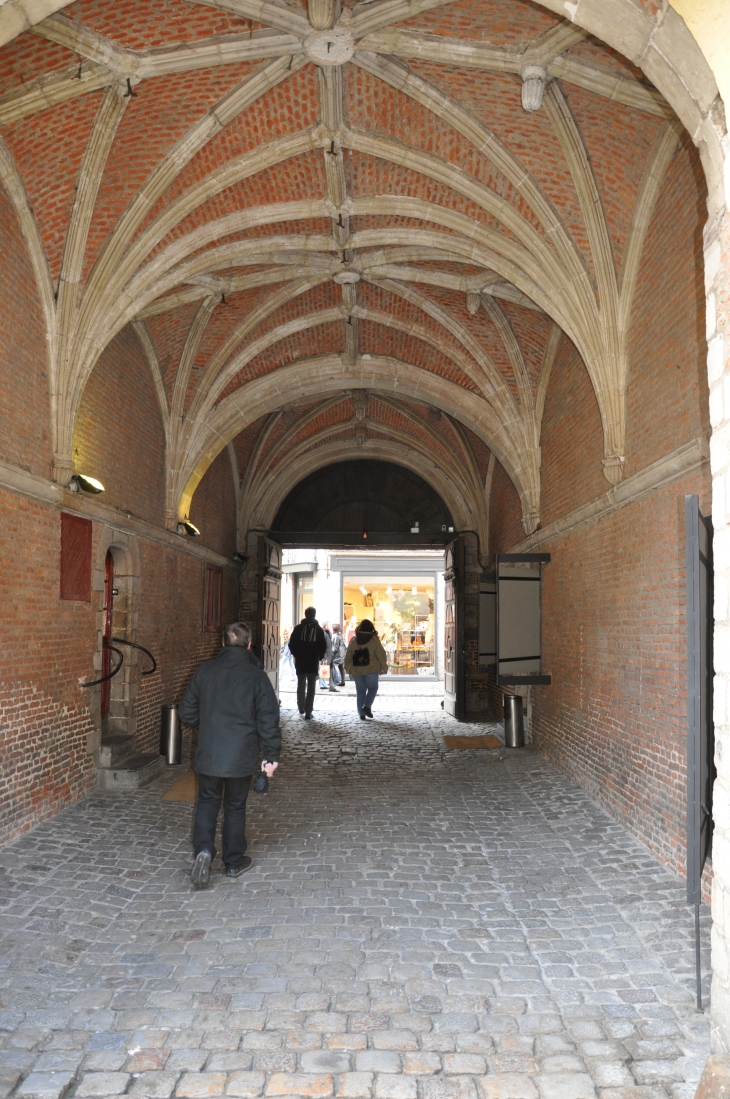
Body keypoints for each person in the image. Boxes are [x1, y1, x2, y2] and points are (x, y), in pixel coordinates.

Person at [178, 621, 281, 889]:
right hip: (241, 755)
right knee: (235, 807)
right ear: (249, 645)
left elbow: (187, 710)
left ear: (222, 644)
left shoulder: (205, 672)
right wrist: (271, 755)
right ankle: (234, 862)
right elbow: (268, 720)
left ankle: (203, 851)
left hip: (210, 753)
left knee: (207, 802)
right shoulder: (256, 677)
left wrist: (210, 727)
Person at [344, 618, 388, 720]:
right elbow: (381, 654)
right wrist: (383, 667)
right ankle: (367, 706)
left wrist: (346, 667)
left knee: (360, 691)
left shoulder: (354, 639)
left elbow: (348, 655)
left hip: (356, 669)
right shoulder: (374, 640)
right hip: (371, 669)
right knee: (373, 688)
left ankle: (361, 713)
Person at [288, 606, 327, 719]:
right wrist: (319, 656)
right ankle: (308, 711)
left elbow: (291, 643)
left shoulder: (298, 628)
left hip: (300, 660)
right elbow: (323, 645)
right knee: (311, 686)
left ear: (305, 615)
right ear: (314, 615)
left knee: (300, 684)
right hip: (312, 660)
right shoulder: (319, 629)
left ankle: (300, 707)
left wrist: (296, 654)